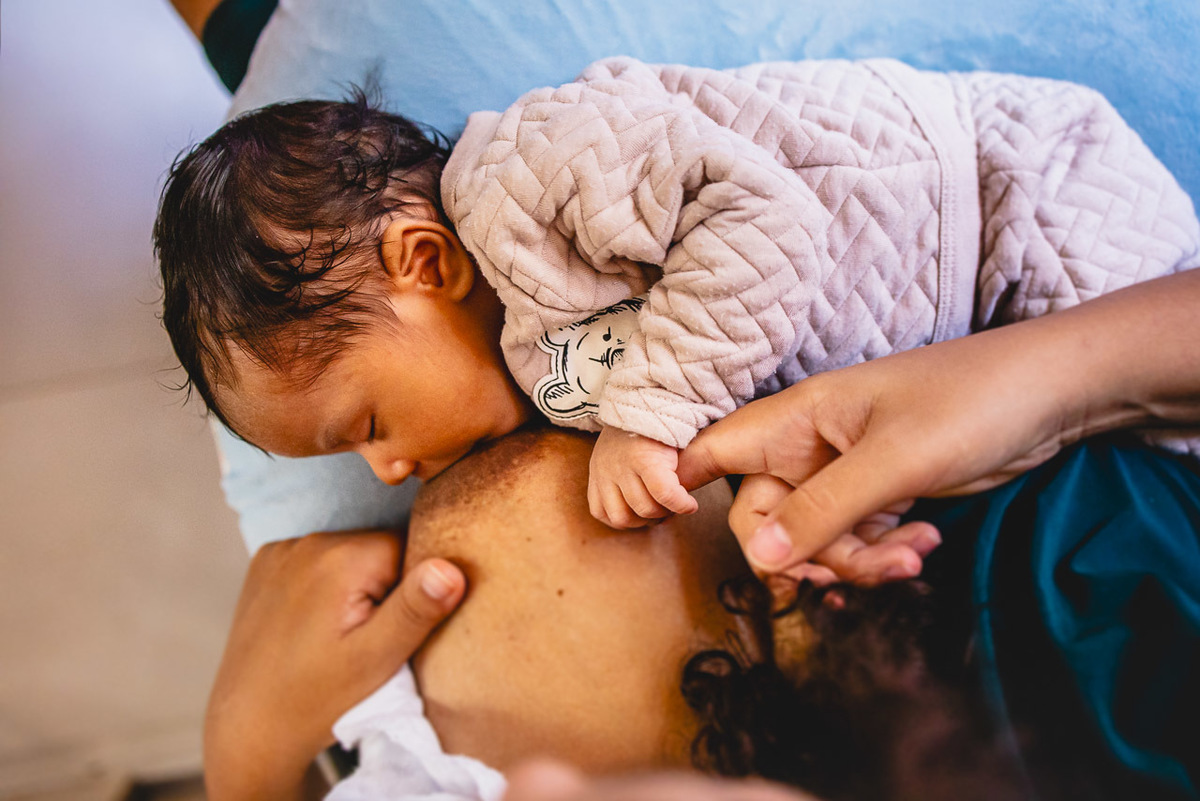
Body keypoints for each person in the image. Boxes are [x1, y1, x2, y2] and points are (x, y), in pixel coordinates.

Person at [154, 57, 1200, 541]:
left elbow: (765, 220)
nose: (386, 471)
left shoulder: (529, 173)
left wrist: (650, 419)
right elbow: (748, 371)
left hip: (1014, 198)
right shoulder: (538, 374)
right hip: (957, 340)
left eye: (366, 425)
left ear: (424, 263)